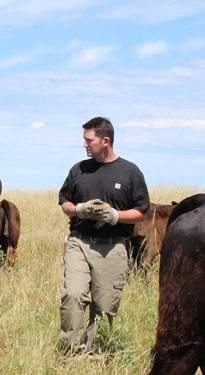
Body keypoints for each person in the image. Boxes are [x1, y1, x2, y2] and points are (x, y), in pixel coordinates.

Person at [58, 116, 150, 354]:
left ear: (105, 141)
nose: (85, 145)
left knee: (105, 307)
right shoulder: (78, 170)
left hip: (113, 247)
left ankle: (93, 353)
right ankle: (71, 352)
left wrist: (114, 216)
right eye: (84, 140)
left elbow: (141, 212)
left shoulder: (130, 172)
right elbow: (64, 203)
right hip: (80, 243)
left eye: (89, 140)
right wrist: (79, 210)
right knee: (74, 294)